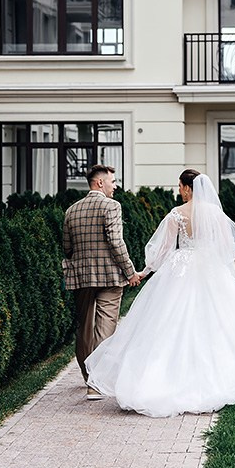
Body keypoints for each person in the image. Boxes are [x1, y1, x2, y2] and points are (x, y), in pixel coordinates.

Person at [85, 169, 235, 418]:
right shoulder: (215, 214)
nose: (179, 191)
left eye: (180, 186)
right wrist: (211, 260)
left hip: (180, 270)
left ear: (188, 188)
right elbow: (228, 247)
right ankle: (219, 378)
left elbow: (161, 251)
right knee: (215, 324)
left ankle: (164, 381)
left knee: (169, 323)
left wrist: (144, 271)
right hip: (209, 270)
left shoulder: (177, 214)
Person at [62, 164, 142, 401]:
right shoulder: (112, 206)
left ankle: (88, 376)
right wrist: (130, 273)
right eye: (112, 181)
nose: (115, 186)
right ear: (99, 183)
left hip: (81, 276)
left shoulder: (71, 210)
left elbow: (67, 248)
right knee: (105, 326)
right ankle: (96, 383)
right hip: (109, 275)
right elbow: (116, 242)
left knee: (84, 327)